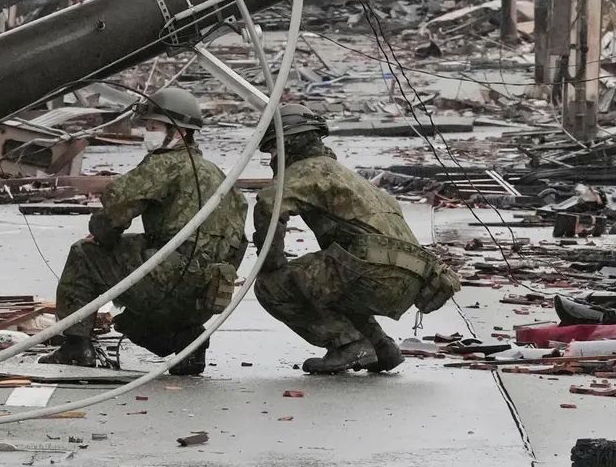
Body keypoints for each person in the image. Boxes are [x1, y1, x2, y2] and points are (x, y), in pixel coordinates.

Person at [42, 88, 246, 375]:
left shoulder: (164, 164)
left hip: (170, 284)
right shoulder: (218, 174)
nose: (146, 133)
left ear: (179, 132)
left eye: (153, 127)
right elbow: (240, 239)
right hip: (209, 293)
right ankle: (188, 342)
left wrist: (101, 235)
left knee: (84, 255)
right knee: (128, 323)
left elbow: (116, 206)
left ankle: (76, 347)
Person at [252, 103, 462, 374]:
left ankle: (347, 345)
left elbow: (269, 204)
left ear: (287, 143)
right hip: (411, 279)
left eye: (272, 148)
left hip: (371, 271)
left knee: (272, 286)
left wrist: (270, 262)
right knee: (333, 282)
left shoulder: (307, 169)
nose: (272, 157)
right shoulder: (347, 176)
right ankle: (381, 348)